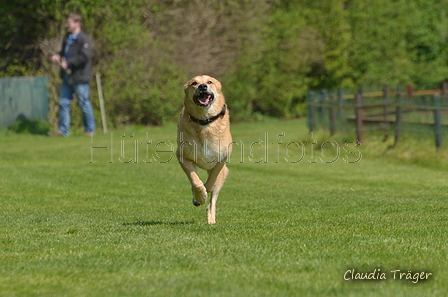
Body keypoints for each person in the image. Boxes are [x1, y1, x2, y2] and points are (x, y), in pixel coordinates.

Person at [49, 12, 95, 137]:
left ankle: (89, 130)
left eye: (69, 23)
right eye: (66, 23)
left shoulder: (83, 40)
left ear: (77, 23)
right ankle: (63, 131)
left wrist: (68, 63)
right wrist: (58, 56)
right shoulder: (67, 37)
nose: (66, 25)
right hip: (67, 76)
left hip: (80, 76)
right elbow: (64, 52)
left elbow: (85, 57)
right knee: (63, 102)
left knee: (83, 102)